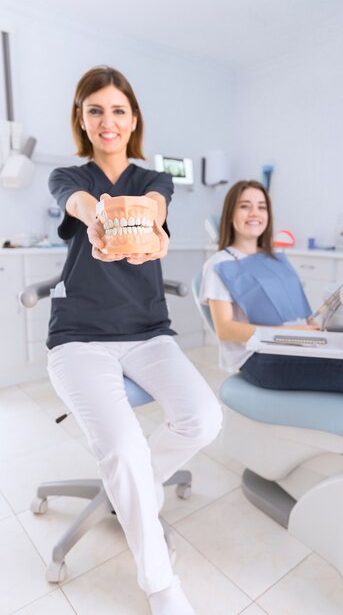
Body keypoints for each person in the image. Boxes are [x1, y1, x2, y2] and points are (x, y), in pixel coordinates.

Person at [47, 65, 222, 615]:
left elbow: (157, 212)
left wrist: (152, 228)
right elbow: (76, 204)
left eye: (118, 110)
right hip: (80, 337)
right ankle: (160, 587)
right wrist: (99, 215)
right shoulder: (68, 179)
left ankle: (132, 493)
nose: (107, 121)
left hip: (148, 333)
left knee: (204, 418)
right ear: (82, 118)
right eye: (95, 109)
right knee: (122, 448)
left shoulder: (153, 181)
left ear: (133, 118)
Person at [200, 179, 343, 444]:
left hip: (303, 341)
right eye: (245, 206)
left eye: (261, 207)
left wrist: (322, 315)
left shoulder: (274, 258)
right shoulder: (218, 264)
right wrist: (287, 332)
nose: (255, 213)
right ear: (230, 213)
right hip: (260, 357)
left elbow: (298, 313)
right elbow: (225, 329)